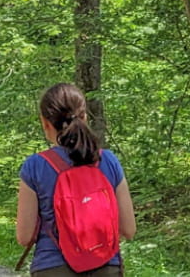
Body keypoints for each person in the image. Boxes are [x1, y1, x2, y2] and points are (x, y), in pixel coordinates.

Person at [16, 83, 137, 276]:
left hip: (53, 267)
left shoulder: (34, 166)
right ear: (85, 117)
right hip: (106, 266)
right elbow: (129, 229)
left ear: (45, 122)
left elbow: (24, 236)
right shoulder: (108, 160)